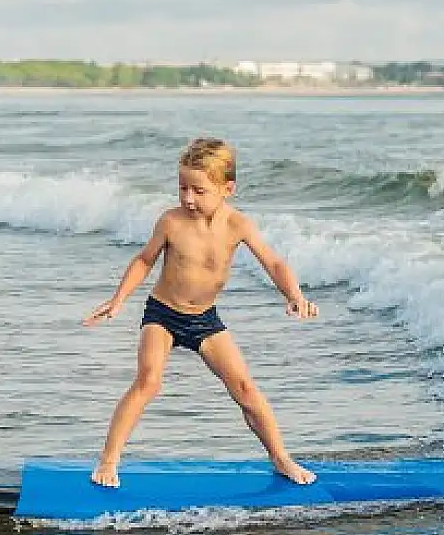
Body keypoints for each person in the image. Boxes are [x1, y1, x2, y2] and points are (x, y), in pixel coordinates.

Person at [82, 137, 319, 488]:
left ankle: (281, 458)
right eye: (182, 188)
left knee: (245, 388)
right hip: (162, 313)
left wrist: (294, 295)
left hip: (205, 319)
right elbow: (145, 260)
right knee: (148, 381)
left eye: (199, 191)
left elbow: (274, 261)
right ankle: (109, 460)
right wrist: (118, 300)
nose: (188, 198)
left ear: (228, 188)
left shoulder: (238, 225)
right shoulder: (171, 222)